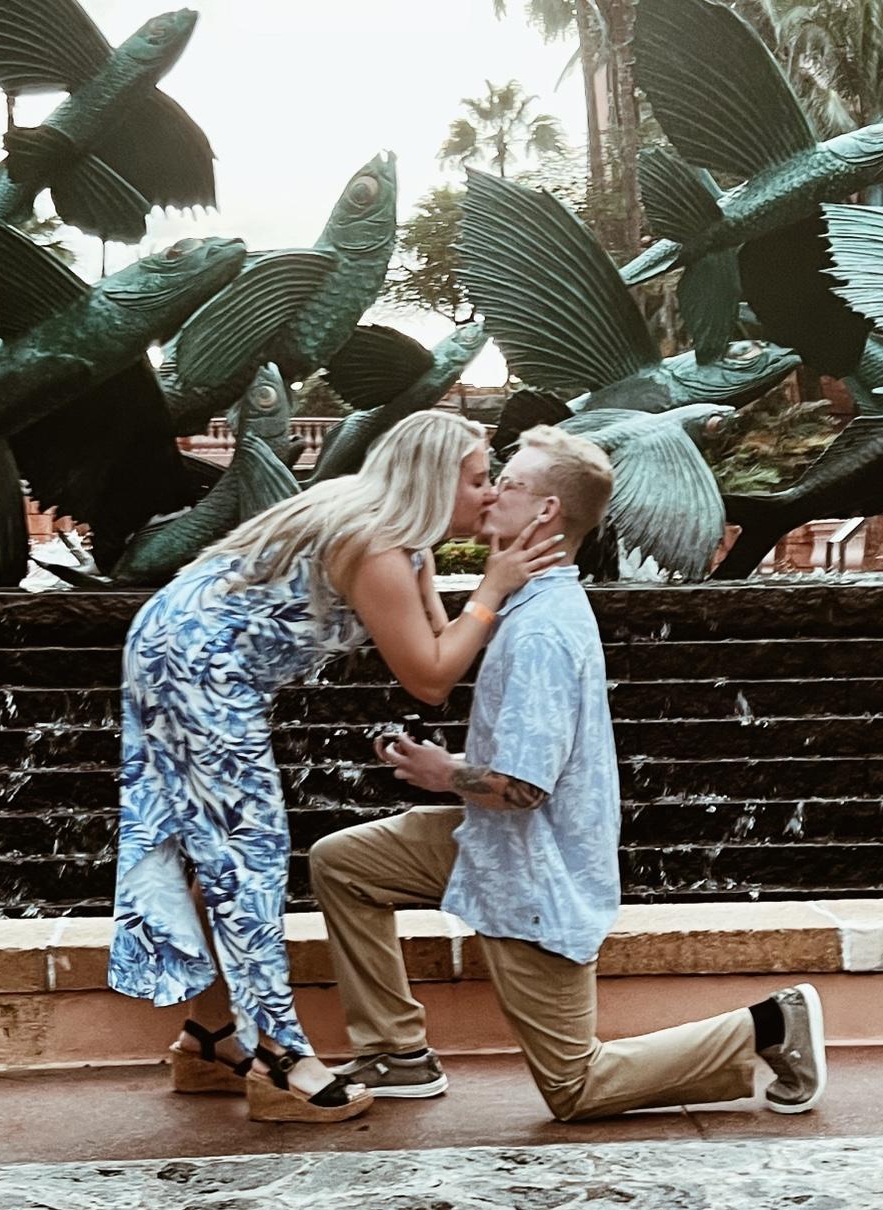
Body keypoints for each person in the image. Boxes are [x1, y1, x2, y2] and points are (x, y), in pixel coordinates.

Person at [310, 425, 828, 1120]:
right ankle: (397, 1054)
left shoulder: (543, 631)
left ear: (547, 512)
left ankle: (772, 1025)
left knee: (575, 1086)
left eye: (510, 483)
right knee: (344, 863)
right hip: (489, 843)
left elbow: (524, 790)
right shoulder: (523, 604)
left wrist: (445, 775)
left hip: (535, 872)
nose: (493, 492)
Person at [107, 410, 565, 1123]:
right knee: (247, 857)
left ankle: (211, 1040)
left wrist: (505, 595)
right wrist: (494, 589)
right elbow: (430, 679)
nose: (486, 493)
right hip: (195, 665)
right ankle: (280, 1064)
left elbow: (442, 638)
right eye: (477, 480)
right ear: (432, 479)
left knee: (219, 858)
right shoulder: (377, 545)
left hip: (176, 645)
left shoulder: (407, 543)